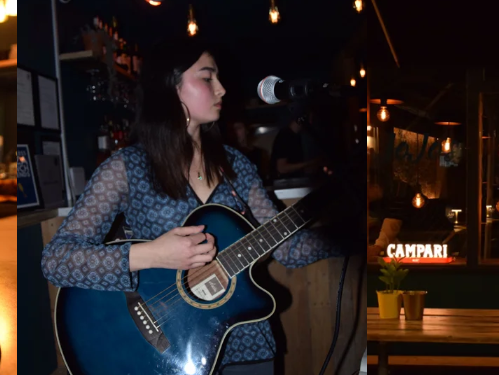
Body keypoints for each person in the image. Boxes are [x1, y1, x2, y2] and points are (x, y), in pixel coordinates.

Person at [41, 41, 340, 375]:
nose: (222, 88)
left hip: (247, 342)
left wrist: (347, 235)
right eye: (207, 78)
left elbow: (287, 248)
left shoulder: (236, 166)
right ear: (171, 88)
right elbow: (57, 260)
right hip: (170, 352)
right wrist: (151, 255)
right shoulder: (129, 167)